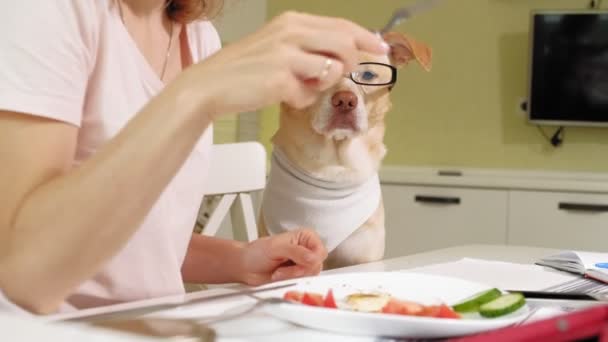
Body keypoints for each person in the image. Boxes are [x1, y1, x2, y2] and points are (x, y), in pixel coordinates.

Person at [0, 0, 389, 314]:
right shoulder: (44, 10)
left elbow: (137, 240)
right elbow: (25, 277)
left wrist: (239, 259)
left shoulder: (198, 37)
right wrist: (195, 93)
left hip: (160, 322)